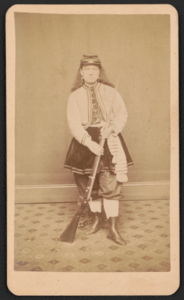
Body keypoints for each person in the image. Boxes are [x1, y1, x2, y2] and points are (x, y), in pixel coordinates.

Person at [65, 54, 133, 245]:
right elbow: (74, 124)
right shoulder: (75, 96)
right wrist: (89, 142)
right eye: (87, 69)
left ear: (99, 72)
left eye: (95, 69)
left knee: (110, 185)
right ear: (81, 72)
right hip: (84, 145)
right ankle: (96, 220)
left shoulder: (111, 92)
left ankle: (112, 228)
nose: (91, 72)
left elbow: (121, 114)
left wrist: (111, 128)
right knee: (89, 187)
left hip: (108, 140)